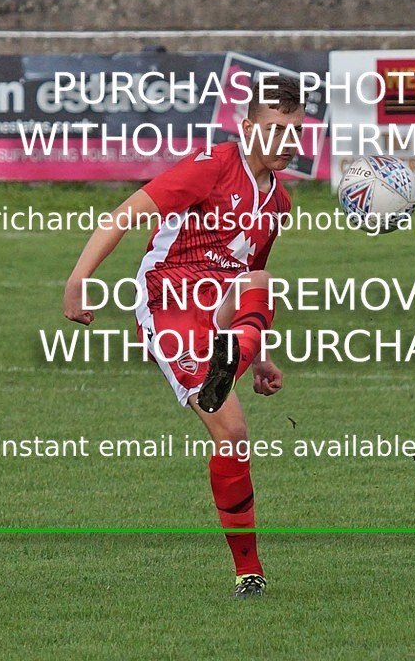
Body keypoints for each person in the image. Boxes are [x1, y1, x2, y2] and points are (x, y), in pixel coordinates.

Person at [63, 75, 304, 599]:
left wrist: (257, 356)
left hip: (219, 314)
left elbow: (247, 279)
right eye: (275, 129)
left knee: (262, 283)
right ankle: (249, 570)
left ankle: (249, 572)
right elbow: (124, 215)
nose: (287, 141)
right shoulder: (211, 168)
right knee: (234, 436)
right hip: (169, 302)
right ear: (246, 128)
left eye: (295, 130)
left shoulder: (278, 203)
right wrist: (80, 279)